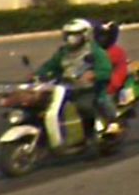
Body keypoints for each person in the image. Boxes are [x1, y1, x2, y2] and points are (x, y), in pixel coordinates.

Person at [36, 18, 112, 148]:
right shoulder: (63, 52)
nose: (71, 38)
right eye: (68, 34)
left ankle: (90, 135)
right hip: (65, 88)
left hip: (87, 89)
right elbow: (51, 66)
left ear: (85, 34)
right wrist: (39, 74)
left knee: (84, 107)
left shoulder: (94, 51)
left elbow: (105, 70)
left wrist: (93, 75)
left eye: (75, 34)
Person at [93, 20, 130, 134]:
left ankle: (114, 121)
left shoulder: (117, 52)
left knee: (102, 99)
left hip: (109, 85)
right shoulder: (93, 51)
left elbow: (121, 72)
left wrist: (111, 85)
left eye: (104, 36)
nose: (102, 39)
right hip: (93, 83)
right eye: (100, 36)